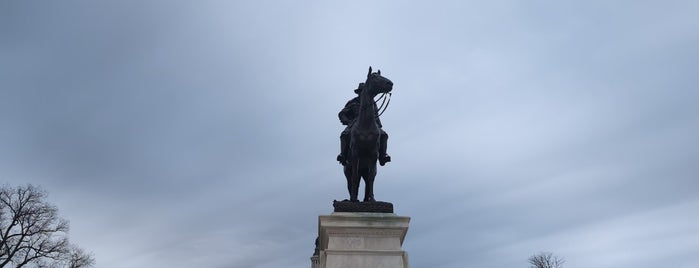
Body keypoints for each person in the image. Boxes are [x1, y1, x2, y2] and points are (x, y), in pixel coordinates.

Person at [337, 83, 391, 166]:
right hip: (355, 124)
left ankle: (383, 156)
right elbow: (342, 113)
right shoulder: (352, 102)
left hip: (371, 125)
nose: (363, 93)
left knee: (384, 135)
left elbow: (376, 115)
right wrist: (347, 121)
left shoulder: (372, 103)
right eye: (361, 91)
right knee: (344, 134)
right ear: (359, 92)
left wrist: (378, 126)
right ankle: (343, 155)